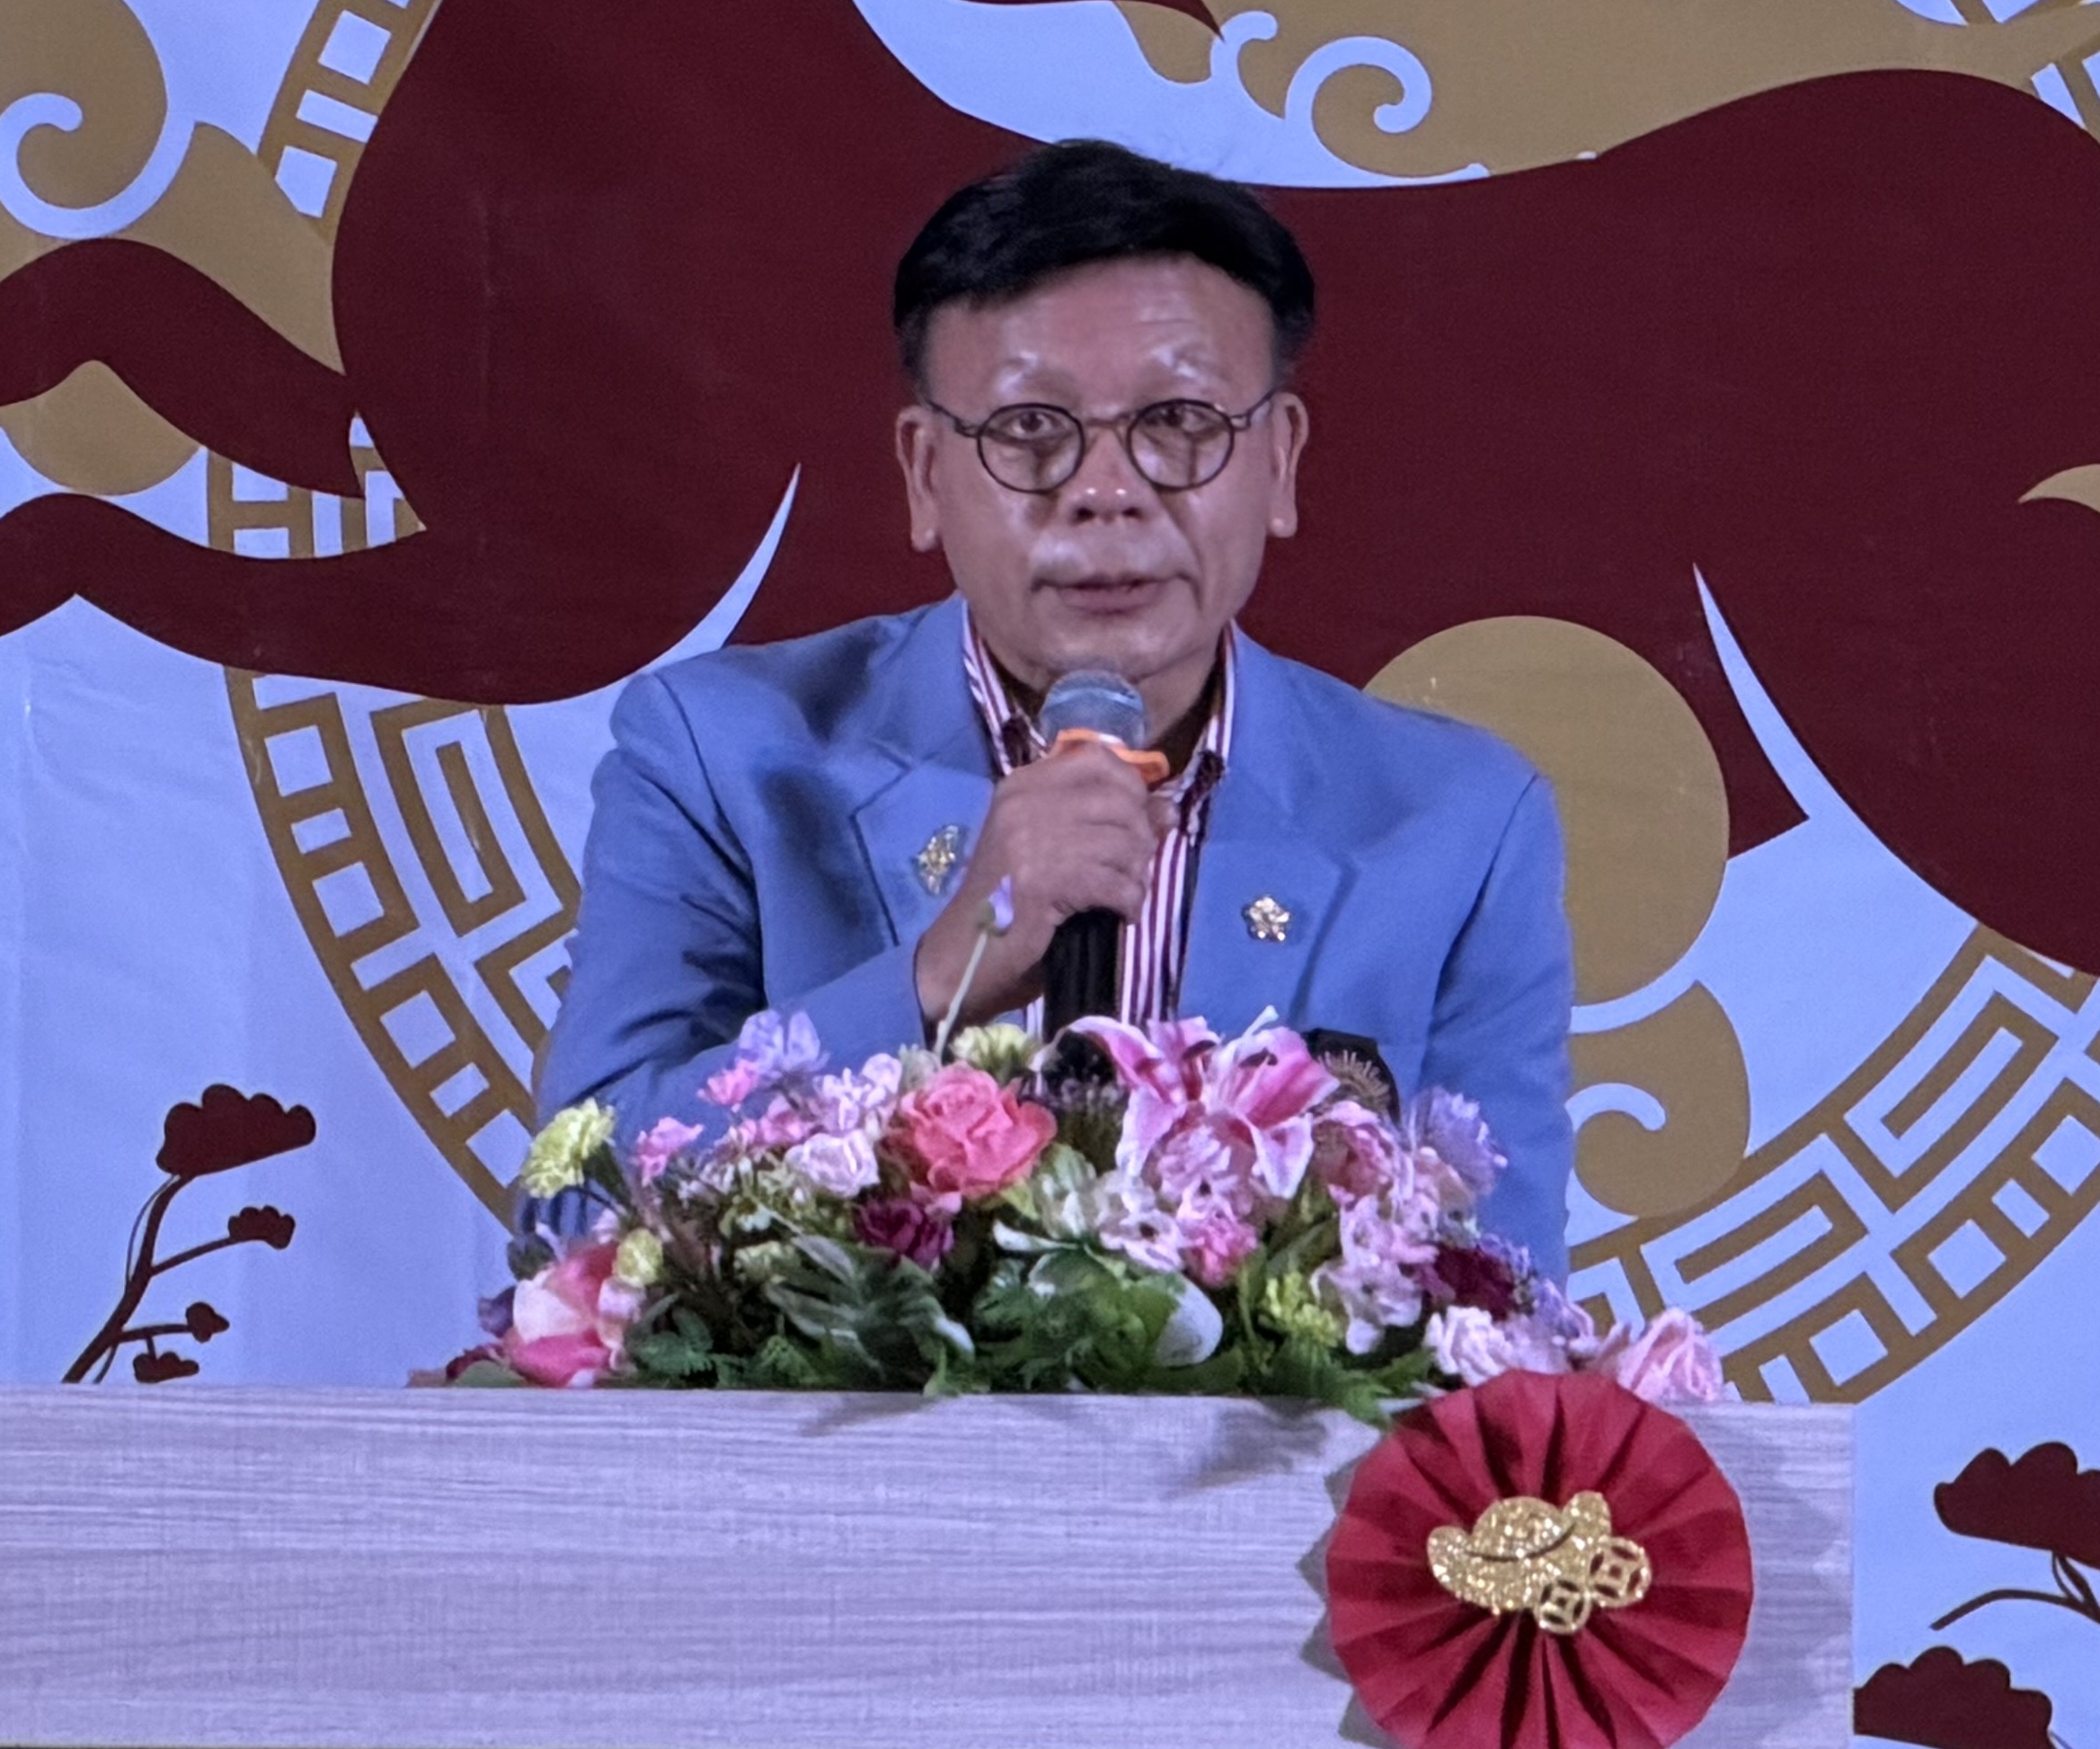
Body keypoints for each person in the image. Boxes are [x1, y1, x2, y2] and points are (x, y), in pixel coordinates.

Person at [539, 139, 1577, 1264]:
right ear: (925, 475)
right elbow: (572, 1217)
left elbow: (1504, 1296)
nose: (1106, 491)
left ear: (1279, 463)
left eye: (1179, 422)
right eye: (1030, 430)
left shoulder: (1461, 827)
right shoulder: (722, 759)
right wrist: (943, 972)